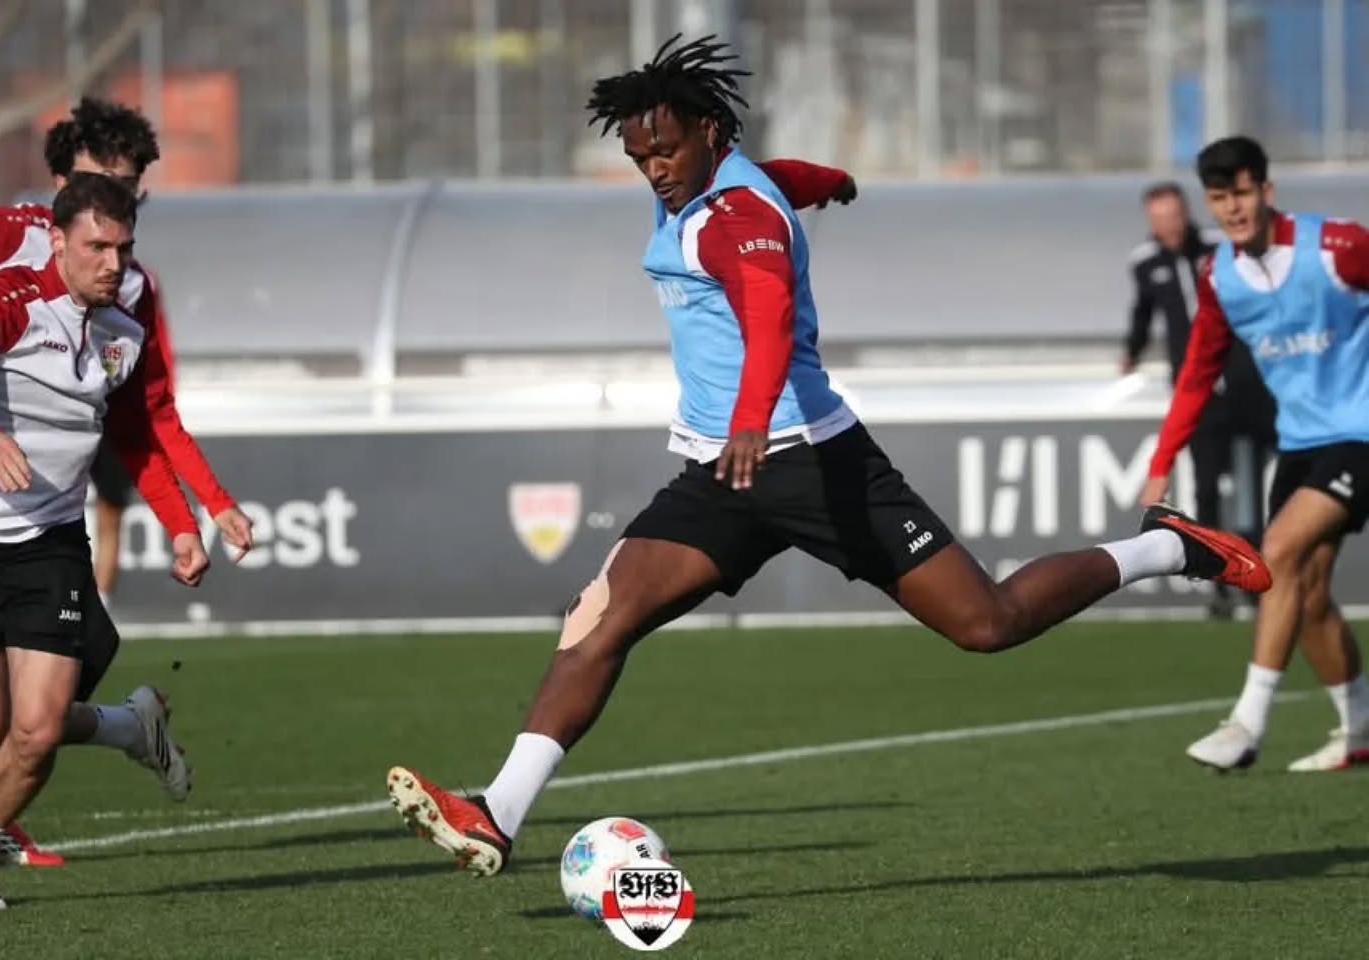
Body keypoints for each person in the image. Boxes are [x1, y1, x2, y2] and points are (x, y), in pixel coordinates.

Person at [381, 35, 1270, 877]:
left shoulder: (733, 218)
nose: (653, 169)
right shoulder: (722, 185)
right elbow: (781, 179)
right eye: (639, 155)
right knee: (598, 617)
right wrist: (832, 182)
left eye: (665, 150)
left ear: (709, 132)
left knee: (987, 624)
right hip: (720, 473)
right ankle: (497, 811)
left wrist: (751, 417)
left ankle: (1166, 547)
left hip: (810, 460)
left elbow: (768, 313)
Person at [0, 98, 254, 867]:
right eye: (98, 178)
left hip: (45, 516)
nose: (112, 197)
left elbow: (151, 416)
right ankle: (88, 747)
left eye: (128, 186)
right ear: (60, 191)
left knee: (41, 707)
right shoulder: (15, 234)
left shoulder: (131, 290)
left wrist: (202, 509)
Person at [1139, 136, 1369, 773]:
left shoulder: (1338, 247)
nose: (1233, 209)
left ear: (1266, 191)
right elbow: (1196, 373)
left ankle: (1246, 725)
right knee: (1306, 592)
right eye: (1219, 198)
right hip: (1299, 443)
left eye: (1241, 193)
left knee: (1279, 551)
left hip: (1361, 434)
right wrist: (1161, 461)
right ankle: (1358, 729)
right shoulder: (1221, 278)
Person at [1123, 181, 1278, 619]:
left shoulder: (1219, 248)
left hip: (1244, 383)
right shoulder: (1145, 262)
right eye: (1160, 219)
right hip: (1197, 391)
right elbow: (1142, 314)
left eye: (1174, 215)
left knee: (1261, 478)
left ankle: (1265, 572)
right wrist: (1131, 354)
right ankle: (1219, 582)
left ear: (1186, 212)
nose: (1169, 225)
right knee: (1207, 487)